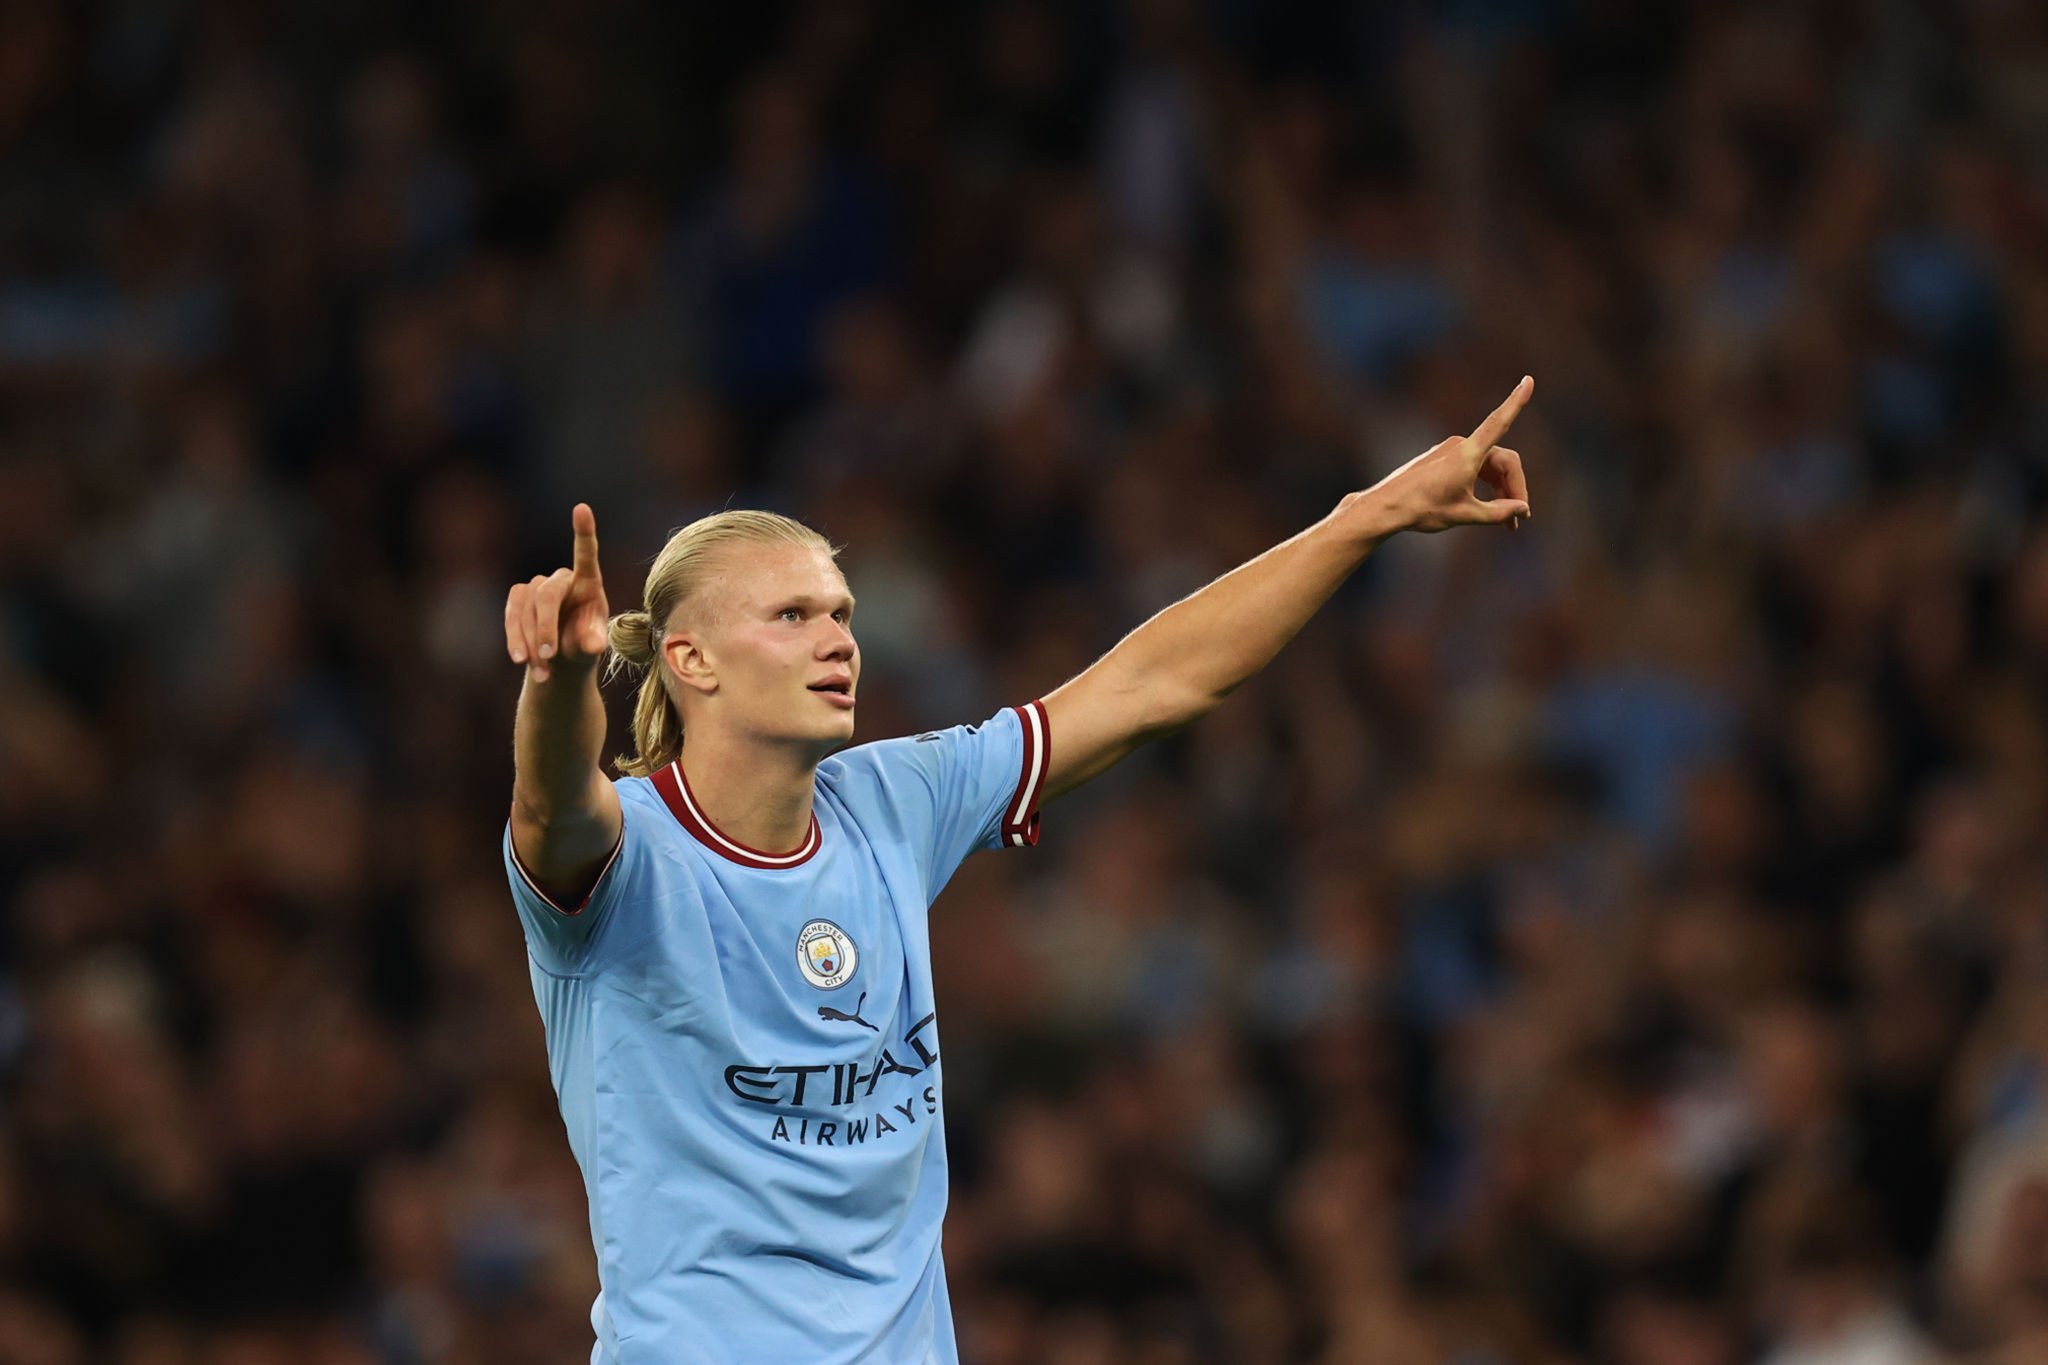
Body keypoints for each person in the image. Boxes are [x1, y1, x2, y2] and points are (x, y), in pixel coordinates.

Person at [499, 377, 1537, 1364]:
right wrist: (557, 681)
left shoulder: (892, 799)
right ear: (690, 659)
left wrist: (1370, 515)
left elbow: (1150, 686)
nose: (838, 641)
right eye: (792, 616)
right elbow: (553, 802)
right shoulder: (629, 860)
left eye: (841, 613)